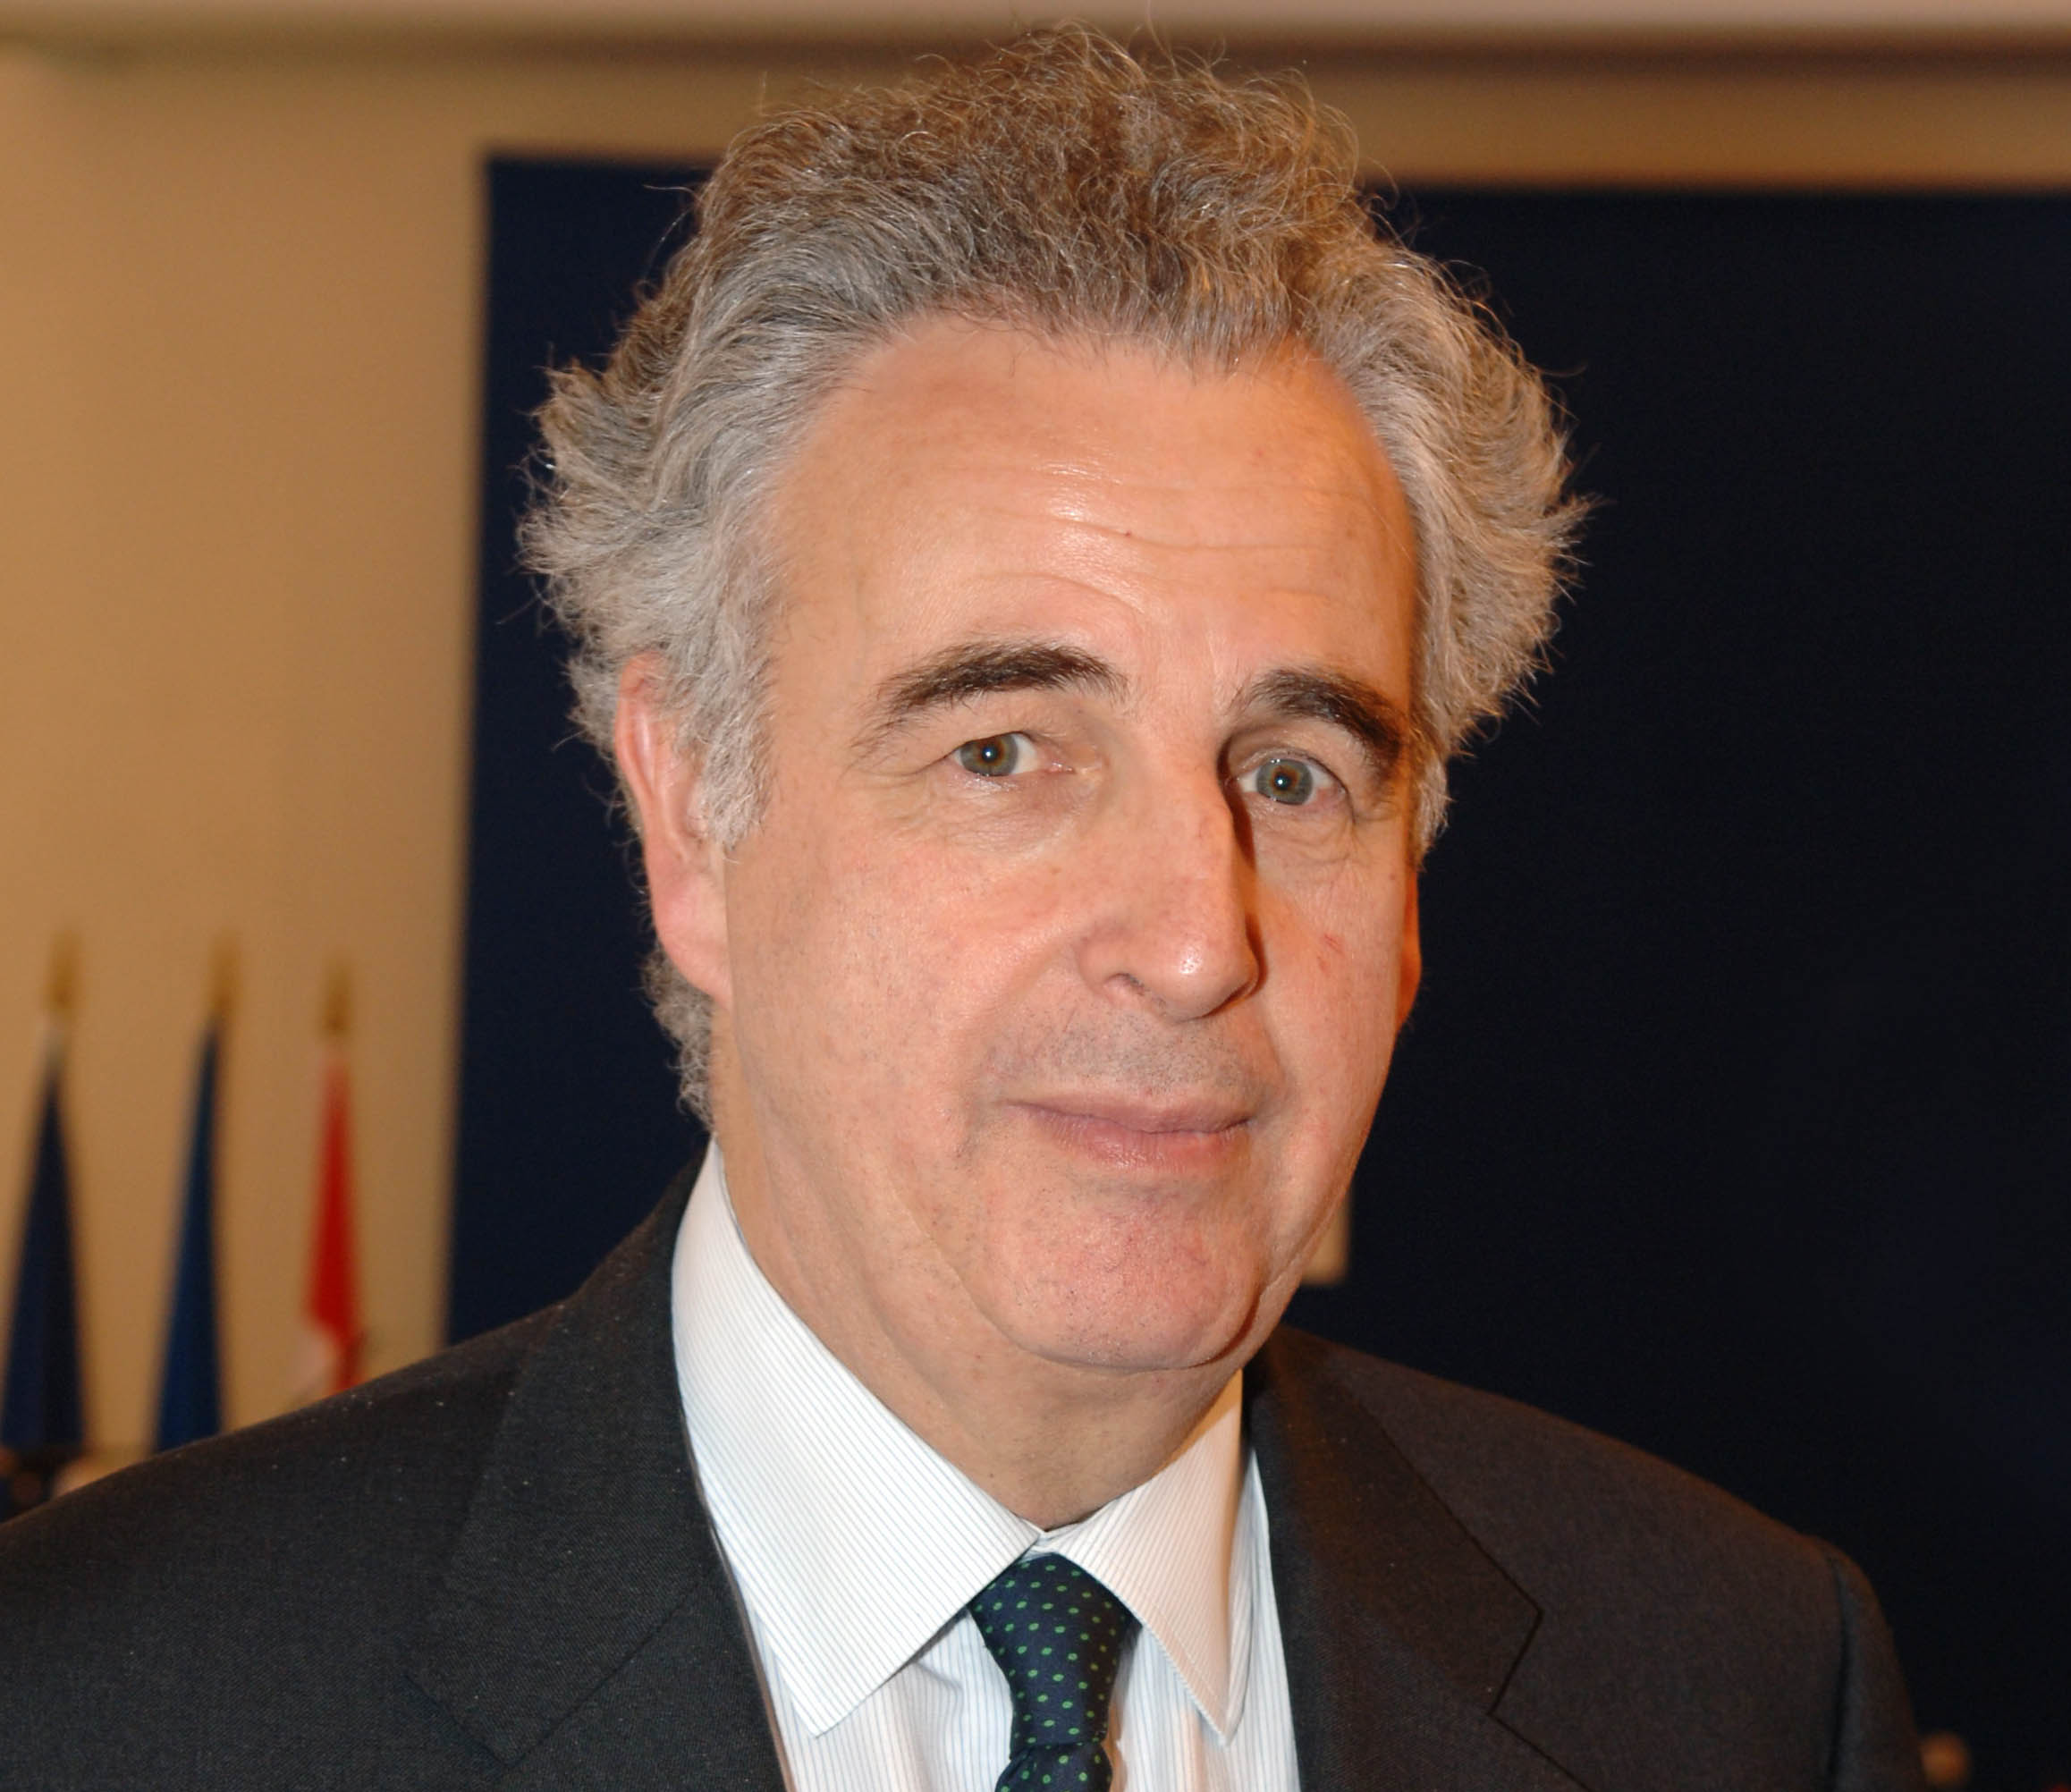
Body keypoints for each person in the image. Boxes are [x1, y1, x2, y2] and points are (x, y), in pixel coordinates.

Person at [0, 29, 1924, 1791]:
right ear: (690, 816)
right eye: (1006, 752)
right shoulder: (105, 1703)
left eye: (1291, 776)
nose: (1197, 943)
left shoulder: (1736, 1684)